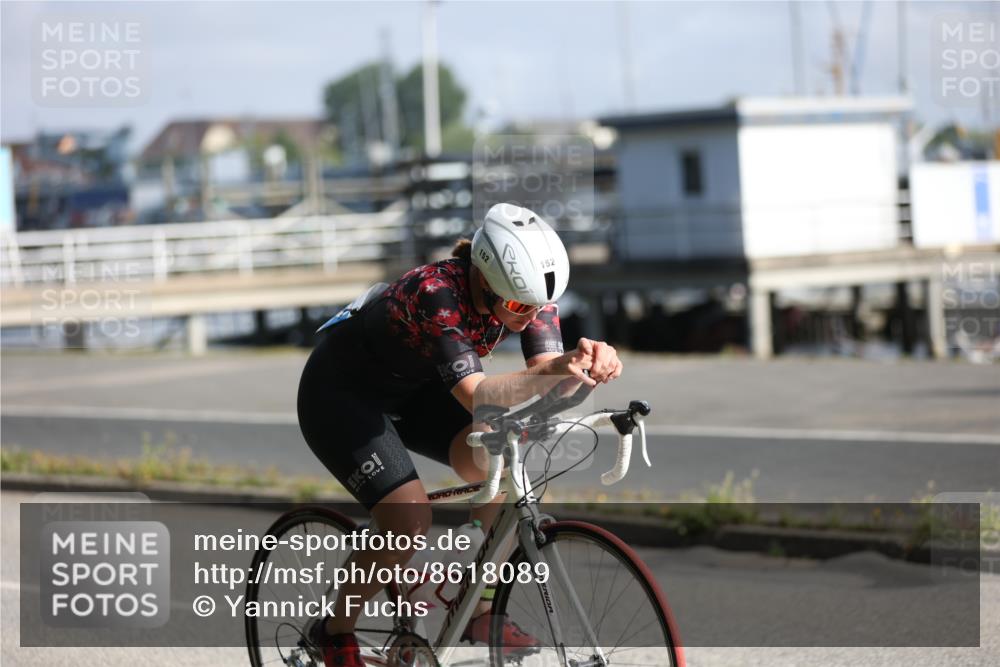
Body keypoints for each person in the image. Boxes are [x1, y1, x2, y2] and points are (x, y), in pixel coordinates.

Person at [296, 202, 623, 666]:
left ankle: (480, 611)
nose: (527, 318)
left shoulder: (527, 294)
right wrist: (558, 369)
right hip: (343, 394)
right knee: (407, 519)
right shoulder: (436, 293)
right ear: (484, 279)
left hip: (418, 388)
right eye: (515, 306)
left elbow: (542, 375)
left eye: (537, 308)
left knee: (509, 470)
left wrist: (586, 362)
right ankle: (332, 632)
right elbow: (479, 396)